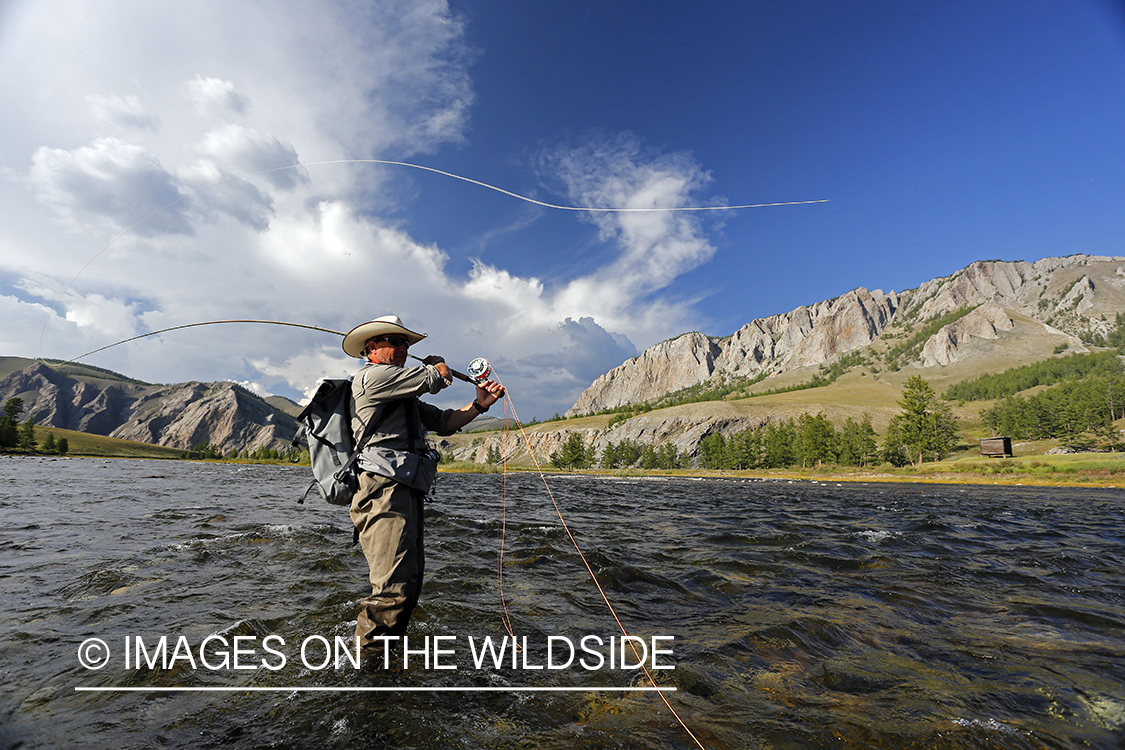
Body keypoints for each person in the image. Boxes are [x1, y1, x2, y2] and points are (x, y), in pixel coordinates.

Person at [341, 315, 504, 649]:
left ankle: (386, 657)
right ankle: (366, 669)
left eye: (405, 343)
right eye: (394, 341)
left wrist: (479, 405)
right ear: (372, 348)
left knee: (409, 584)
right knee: (392, 591)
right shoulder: (373, 377)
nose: (403, 348)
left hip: (404, 489)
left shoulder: (401, 392)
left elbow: (445, 422)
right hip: (382, 489)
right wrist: (439, 364)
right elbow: (437, 377)